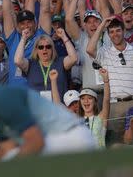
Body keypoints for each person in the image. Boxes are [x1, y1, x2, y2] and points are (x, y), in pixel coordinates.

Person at [0, 71, 96, 161]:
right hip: (60, 139)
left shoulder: (2, 99)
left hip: (70, 139)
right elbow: (6, 150)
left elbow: (36, 142)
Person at [86, 15, 133, 144]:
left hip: (132, 103)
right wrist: (102, 26)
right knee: (115, 145)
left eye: (118, 30)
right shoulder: (104, 52)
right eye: (111, 32)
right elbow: (89, 49)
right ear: (108, 34)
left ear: (123, 31)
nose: (115, 34)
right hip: (113, 105)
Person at [14, 28, 77, 100]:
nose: (45, 49)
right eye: (41, 47)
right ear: (36, 50)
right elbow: (17, 60)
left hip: (58, 107)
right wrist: (23, 39)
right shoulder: (31, 64)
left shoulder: (60, 62)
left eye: (48, 46)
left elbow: (74, 58)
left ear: (52, 49)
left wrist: (64, 37)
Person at [79, 69, 111, 148]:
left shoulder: (101, 117)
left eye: (89, 98)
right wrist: (53, 81)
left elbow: (106, 100)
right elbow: (57, 106)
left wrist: (106, 81)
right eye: (82, 98)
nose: (86, 101)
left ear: (95, 101)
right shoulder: (76, 120)